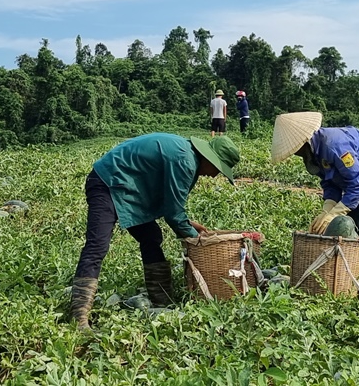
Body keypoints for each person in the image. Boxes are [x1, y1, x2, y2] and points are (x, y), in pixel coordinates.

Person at [71, 133, 240, 331]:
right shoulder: (185, 161)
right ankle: (79, 317)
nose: (215, 175)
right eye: (218, 169)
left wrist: (187, 223)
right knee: (97, 245)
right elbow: (173, 212)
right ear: (210, 158)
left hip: (129, 187)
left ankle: (162, 299)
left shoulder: (188, 157)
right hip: (108, 182)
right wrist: (197, 241)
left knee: (151, 236)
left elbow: (171, 202)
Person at [271, 112, 359, 296]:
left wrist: (335, 213)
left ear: (300, 143)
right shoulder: (313, 153)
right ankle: (345, 279)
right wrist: (327, 210)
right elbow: (330, 183)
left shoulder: (334, 145)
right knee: (347, 229)